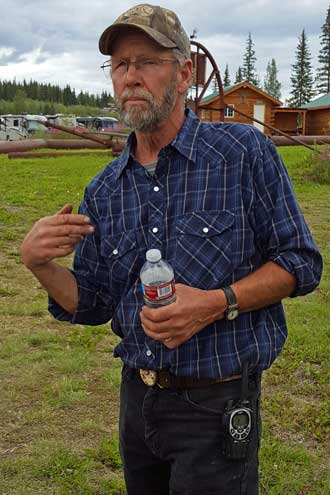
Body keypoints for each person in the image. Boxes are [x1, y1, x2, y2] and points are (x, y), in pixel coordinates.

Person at [20, 4, 323, 495]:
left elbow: (300, 263)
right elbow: (92, 302)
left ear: (184, 74)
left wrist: (214, 303)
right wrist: (39, 265)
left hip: (218, 404)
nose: (131, 77)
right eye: (120, 66)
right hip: (137, 403)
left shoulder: (243, 154)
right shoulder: (105, 190)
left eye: (147, 62)